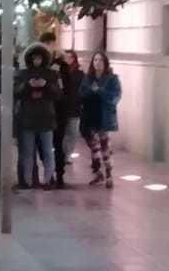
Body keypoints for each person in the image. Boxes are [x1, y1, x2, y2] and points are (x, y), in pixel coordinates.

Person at [15, 44, 60, 189]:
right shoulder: (23, 74)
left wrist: (46, 85)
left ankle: (48, 179)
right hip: (28, 117)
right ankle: (27, 181)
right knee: (28, 152)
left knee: (47, 150)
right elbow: (16, 92)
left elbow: (58, 94)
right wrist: (28, 85)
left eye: (39, 58)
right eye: (34, 58)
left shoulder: (51, 75)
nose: (37, 61)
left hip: (46, 117)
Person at [79, 52, 121, 188]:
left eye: (100, 60)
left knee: (105, 146)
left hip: (104, 117)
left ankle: (109, 175)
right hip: (89, 116)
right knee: (94, 147)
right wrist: (91, 91)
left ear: (105, 63)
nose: (97, 63)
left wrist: (100, 91)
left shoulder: (112, 79)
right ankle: (97, 172)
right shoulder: (88, 78)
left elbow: (114, 97)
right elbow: (81, 94)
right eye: (95, 60)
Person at [51, 48, 82, 187]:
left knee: (71, 134)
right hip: (54, 111)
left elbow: (71, 91)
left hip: (70, 109)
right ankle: (55, 172)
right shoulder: (53, 69)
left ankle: (62, 164)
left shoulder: (76, 73)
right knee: (56, 141)